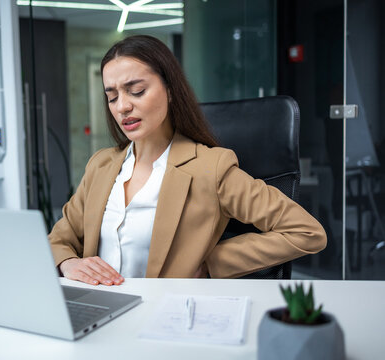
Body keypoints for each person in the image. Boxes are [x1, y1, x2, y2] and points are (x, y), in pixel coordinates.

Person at [48, 35, 326, 286]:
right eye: (112, 96)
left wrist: (211, 263)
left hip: (161, 316)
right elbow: (59, 238)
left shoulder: (211, 168)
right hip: (97, 312)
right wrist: (68, 263)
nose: (122, 106)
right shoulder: (101, 165)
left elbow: (306, 231)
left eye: (137, 91)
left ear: (169, 90)